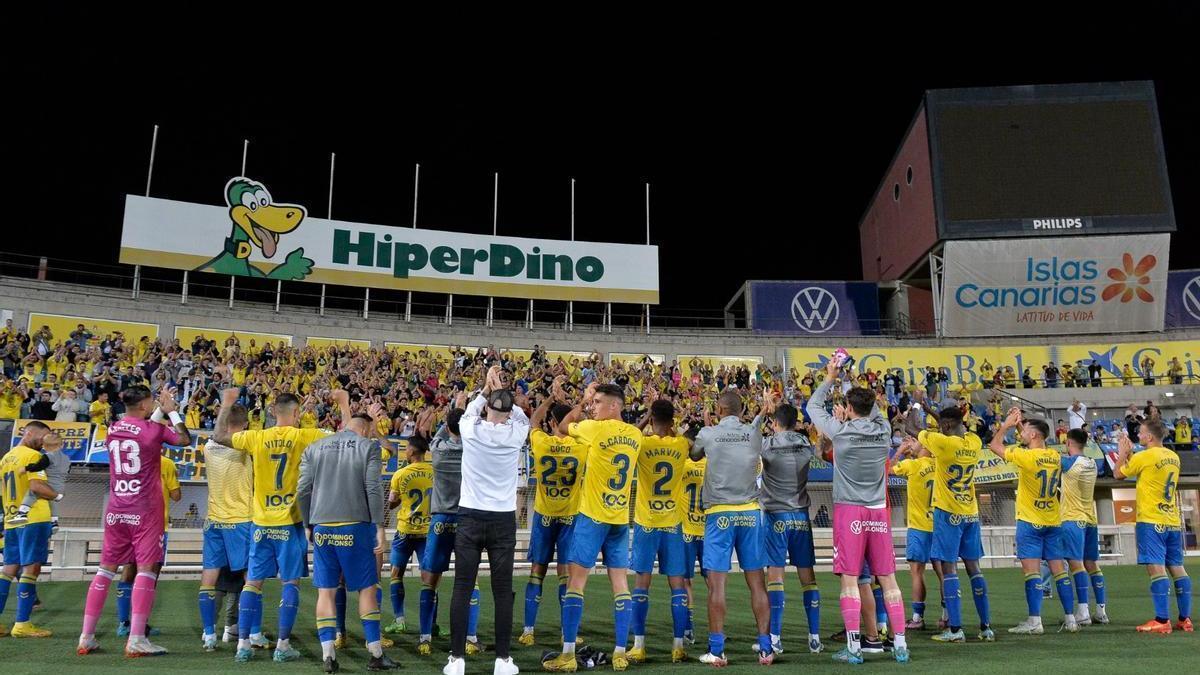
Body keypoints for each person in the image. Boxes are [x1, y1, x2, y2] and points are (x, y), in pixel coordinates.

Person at [212, 387, 349, 663]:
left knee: (253, 582)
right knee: (291, 582)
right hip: (290, 523)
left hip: (261, 523)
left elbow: (218, 437)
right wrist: (343, 403)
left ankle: (243, 646)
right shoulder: (303, 436)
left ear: (273, 412)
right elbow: (345, 435)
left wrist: (227, 404)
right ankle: (282, 645)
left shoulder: (255, 437)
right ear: (297, 413)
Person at [807, 359, 908, 664]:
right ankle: (901, 645)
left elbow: (813, 406)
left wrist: (831, 378)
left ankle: (853, 647)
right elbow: (874, 411)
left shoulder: (840, 432)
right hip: (878, 510)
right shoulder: (883, 430)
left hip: (849, 511)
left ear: (848, 409)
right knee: (888, 579)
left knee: (850, 579)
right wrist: (852, 384)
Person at [76, 386, 190, 656]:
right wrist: (172, 412)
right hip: (145, 511)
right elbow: (184, 439)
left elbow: (142, 429)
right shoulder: (154, 431)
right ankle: (137, 638)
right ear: (143, 405)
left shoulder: (113, 428)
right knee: (146, 571)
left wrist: (160, 407)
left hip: (116, 509)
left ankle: (86, 637)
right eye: (151, 403)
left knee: (105, 570)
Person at [543, 383, 643, 673]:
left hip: (592, 517)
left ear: (614, 406)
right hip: (620, 519)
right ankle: (620, 653)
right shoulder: (636, 435)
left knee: (576, 583)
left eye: (598, 402)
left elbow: (562, 427)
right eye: (592, 402)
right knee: (621, 585)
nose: (592, 407)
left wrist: (581, 400)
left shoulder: (593, 429)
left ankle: (569, 654)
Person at [296, 407, 397, 673]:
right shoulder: (368, 447)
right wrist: (378, 525)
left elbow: (302, 489)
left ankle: (328, 655)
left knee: (326, 591)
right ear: (364, 429)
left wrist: (308, 523)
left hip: (323, 527)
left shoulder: (315, 447)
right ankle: (375, 653)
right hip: (356, 525)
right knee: (367, 588)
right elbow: (373, 487)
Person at [443, 366, 529, 675]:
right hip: (502, 519)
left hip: (469, 516)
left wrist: (486, 389)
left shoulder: (470, 429)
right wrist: (502, 394)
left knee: (462, 588)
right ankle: (502, 660)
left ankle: (456, 660)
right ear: (506, 412)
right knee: (503, 590)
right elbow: (520, 415)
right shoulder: (517, 432)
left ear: (488, 408)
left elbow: (470, 410)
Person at [685, 389, 774, 667]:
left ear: (719, 409)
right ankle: (766, 649)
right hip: (750, 513)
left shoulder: (708, 434)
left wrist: (707, 424)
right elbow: (754, 429)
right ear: (741, 409)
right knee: (757, 583)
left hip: (720, 515)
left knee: (717, 585)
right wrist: (761, 412)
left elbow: (695, 455)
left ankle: (717, 650)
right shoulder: (753, 434)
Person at [989, 409, 1078, 634]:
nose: (1022, 434)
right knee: (1060, 572)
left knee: (1032, 573)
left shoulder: (1026, 457)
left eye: (1026, 432)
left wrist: (1007, 425)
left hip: (1030, 521)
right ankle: (1071, 619)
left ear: (1034, 436)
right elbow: (1034, 444)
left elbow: (994, 446)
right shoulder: (1056, 457)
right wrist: (1022, 427)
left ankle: (1035, 621)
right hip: (1052, 521)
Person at [519, 385, 587, 646]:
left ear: (552, 421)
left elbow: (533, 420)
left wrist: (548, 398)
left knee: (537, 572)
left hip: (545, 516)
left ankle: (528, 630)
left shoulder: (542, 442)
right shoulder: (580, 446)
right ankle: (565, 632)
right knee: (565, 575)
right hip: (570, 517)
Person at [627, 396, 692, 664]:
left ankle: (639, 645)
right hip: (673, 523)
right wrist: (671, 425)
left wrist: (646, 418)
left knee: (642, 585)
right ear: (673, 420)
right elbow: (684, 440)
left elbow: (632, 434)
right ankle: (678, 646)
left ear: (652, 419)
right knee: (677, 585)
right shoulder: (681, 444)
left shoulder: (642, 443)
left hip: (646, 522)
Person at [757, 390, 822, 655]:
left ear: (774, 422)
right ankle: (814, 638)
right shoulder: (807, 445)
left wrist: (764, 412)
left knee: (775, 577)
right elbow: (819, 448)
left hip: (776, 517)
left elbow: (751, 444)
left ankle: (774, 638)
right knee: (808, 578)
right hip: (801, 516)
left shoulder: (768, 445)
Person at [921, 405, 994, 643]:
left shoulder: (944, 444)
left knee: (949, 569)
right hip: (970, 513)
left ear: (946, 426)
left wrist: (915, 406)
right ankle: (985, 628)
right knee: (974, 568)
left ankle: (955, 630)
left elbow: (913, 428)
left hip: (948, 513)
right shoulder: (972, 441)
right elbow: (949, 425)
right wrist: (932, 412)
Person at [417, 401, 483, 657]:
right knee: (470, 580)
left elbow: (438, 434)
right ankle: (471, 637)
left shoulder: (439, 450)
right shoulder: (473, 451)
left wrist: (451, 414)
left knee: (430, 580)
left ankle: (424, 638)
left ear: (447, 426)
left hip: (441, 520)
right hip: (467, 519)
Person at [1113, 419, 1192, 634]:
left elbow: (1118, 473)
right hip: (1172, 520)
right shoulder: (1173, 457)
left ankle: (1161, 620)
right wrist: (1131, 455)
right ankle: (1185, 619)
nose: (1138, 436)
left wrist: (1122, 453)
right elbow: (1144, 471)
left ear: (1149, 437)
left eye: (1141, 433)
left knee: (1155, 569)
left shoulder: (1145, 456)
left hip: (1151, 519)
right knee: (1177, 568)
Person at [198, 402, 255, 651]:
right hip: (241, 519)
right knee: (250, 578)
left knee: (209, 577)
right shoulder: (245, 448)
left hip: (214, 520)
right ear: (244, 424)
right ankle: (248, 634)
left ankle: (208, 634)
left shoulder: (208, 447)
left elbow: (218, 435)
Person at [0, 423, 58, 639]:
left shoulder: (6, 457)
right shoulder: (33, 457)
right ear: (29, 432)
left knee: (8, 570)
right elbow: (36, 487)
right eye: (42, 437)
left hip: (12, 518)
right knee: (31, 569)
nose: (43, 442)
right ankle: (22, 624)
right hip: (34, 517)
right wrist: (56, 495)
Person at [891, 437, 944, 631]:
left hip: (919, 528)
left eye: (916, 441)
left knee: (916, 573)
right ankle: (947, 616)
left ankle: (917, 617)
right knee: (944, 574)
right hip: (939, 527)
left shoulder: (912, 465)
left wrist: (899, 451)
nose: (912, 443)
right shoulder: (940, 465)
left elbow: (889, 469)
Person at [384, 435, 433, 635]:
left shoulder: (400, 474)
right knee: (430, 578)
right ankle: (431, 625)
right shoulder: (434, 471)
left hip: (405, 531)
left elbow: (392, 503)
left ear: (411, 451)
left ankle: (399, 620)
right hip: (427, 532)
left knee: (396, 574)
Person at [1059, 428, 1109, 626]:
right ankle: (1101, 611)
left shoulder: (1068, 463)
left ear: (1069, 443)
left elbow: (1042, 456)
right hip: (1090, 518)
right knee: (1092, 564)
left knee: (1076, 565)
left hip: (1072, 517)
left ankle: (1083, 611)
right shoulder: (1093, 463)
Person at [675, 444, 707, 646]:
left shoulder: (682, 465)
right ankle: (716, 630)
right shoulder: (712, 466)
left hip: (687, 530)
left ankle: (688, 629)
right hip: (708, 532)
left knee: (686, 582)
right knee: (715, 582)